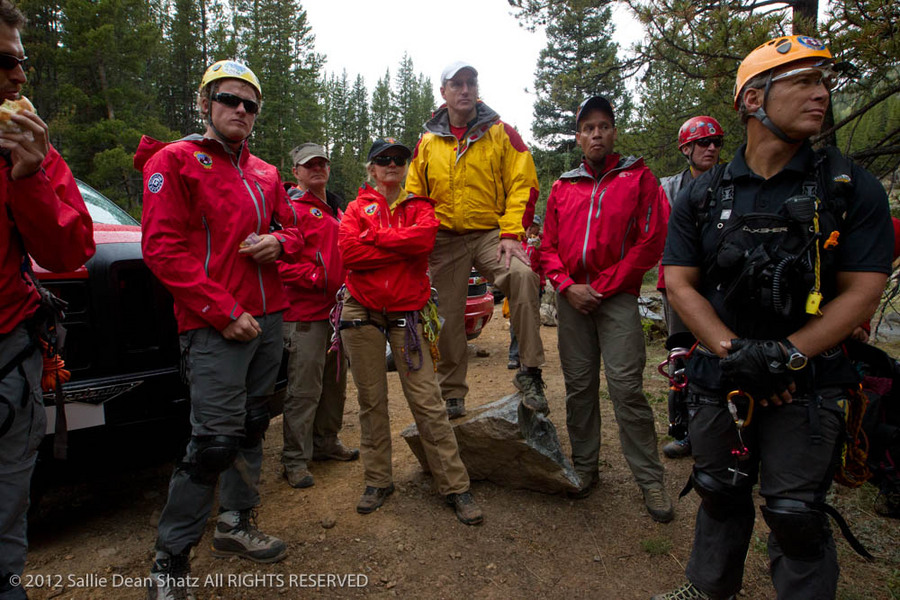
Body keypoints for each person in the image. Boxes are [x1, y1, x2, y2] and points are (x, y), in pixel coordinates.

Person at [654, 35, 893, 600]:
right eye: (806, 82)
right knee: (719, 490)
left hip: (809, 381)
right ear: (754, 98)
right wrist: (734, 352)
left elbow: (863, 290)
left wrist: (787, 355)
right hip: (720, 375)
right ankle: (707, 589)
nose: (823, 94)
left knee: (794, 511)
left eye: (825, 81)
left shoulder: (849, 188)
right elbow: (680, 281)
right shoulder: (704, 193)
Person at [136, 60, 303, 599]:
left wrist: (281, 243)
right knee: (212, 442)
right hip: (215, 326)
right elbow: (162, 249)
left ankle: (235, 523)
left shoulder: (268, 173)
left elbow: (295, 231)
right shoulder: (175, 161)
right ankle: (170, 563)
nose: (240, 110)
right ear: (205, 103)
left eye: (249, 104)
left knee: (253, 424)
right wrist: (223, 311)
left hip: (269, 318)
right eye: (229, 100)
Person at [0, 3, 95, 597]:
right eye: (5, 61)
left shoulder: (27, 145)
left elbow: (70, 249)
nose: (19, 76)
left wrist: (28, 179)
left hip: (8, 354)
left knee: (8, 505)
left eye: (22, 61)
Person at [338, 138, 483, 526]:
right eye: (382, 159)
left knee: (427, 399)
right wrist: (398, 248)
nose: (391, 164)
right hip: (361, 309)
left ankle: (455, 486)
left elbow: (423, 243)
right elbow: (349, 254)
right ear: (370, 168)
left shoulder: (420, 208)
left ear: (406, 167)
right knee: (371, 400)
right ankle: (378, 481)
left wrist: (375, 239)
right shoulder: (355, 208)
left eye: (399, 159)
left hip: (408, 310)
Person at [541, 96, 673, 519]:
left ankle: (651, 481)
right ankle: (584, 468)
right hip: (572, 300)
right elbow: (546, 247)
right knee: (579, 388)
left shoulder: (638, 178)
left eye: (603, 126)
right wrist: (565, 285)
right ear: (578, 137)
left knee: (626, 388)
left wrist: (602, 285)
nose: (596, 133)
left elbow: (650, 241)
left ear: (614, 131)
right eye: (588, 128)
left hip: (615, 298)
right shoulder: (563, 186)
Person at [407, 61, 546, 419]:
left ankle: (530, 372)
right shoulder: (428, 142)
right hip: (445, 239)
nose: (465, 89)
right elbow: (414, 196)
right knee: (449, 317)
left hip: (491, 233)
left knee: (522, 276)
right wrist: (421, 241)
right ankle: (452, 393)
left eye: (471, 82)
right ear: (444, 92)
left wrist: (514, 231)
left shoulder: (500, 132)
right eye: (457, 84)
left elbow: (524, 181)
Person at [279, 142, 357, 490]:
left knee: (335, 384)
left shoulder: (337, 210)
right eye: (309, 165)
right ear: (295, 171)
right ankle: (294, 458)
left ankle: (326, 442)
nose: (317, 169)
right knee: (304, 389)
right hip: (304, 314)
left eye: (322, 163)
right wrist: (315, 277)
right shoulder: (290, 209)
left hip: (336, 314)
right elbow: (277, 261)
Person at [658, 116, 726, 460]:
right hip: (679, 284)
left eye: (716, 142)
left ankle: (729, 429)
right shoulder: (668, 189)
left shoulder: (732, 183)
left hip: (723, 284)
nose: (712, 148)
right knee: (680, 355)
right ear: (686, 148)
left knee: (724, 351)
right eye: (703, 142)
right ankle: (682, 430)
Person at [508, 214, 545, 370]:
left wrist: (539, 248)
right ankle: (514, 356)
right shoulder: (517, 243)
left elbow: (544, 264)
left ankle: (529, 360)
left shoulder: (541, 243)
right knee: (516, 320)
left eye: (533, 226)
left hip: (535, 286)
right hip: (517, 285)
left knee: (532, 321)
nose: (530, 229)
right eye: (528, 225)